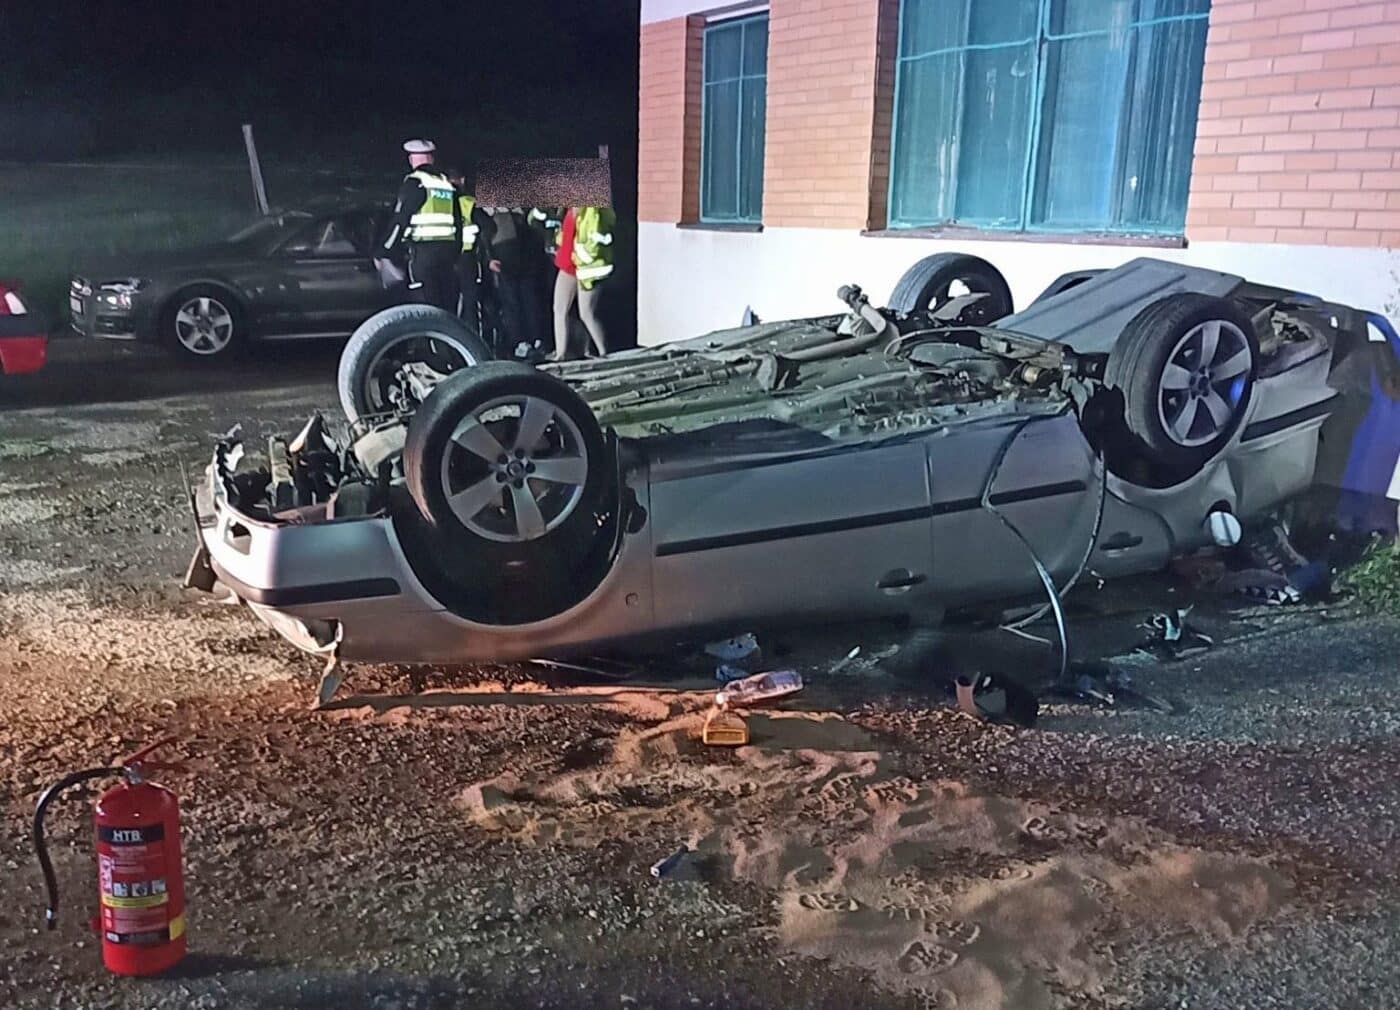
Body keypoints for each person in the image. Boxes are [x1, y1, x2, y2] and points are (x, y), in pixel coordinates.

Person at [382, 139, 461, 312]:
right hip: (448, 253)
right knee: (447, 304)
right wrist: (456, 251)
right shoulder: (445, 184)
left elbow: (401, 217)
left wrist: (386, 249)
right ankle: (448, 338)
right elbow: (458, 221)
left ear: (412, 160)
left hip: (424, 252)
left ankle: (431, 339)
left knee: (426, 304)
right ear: (431, 159)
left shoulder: (414, 182)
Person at [551, 205, 615, 360]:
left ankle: (604, 352)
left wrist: (581, 257)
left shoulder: (592, 212)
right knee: (559, 309)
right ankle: (561, 354)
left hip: (585, 267)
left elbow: (593, 241)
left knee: (586, 313)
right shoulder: (569, 210)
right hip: (567, 265)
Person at [488, 206, 548, 360]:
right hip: (506, 255)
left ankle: (534, 340)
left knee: (527, 300)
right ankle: (523, 342)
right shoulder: (494, 207)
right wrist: (489, 258)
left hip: (522, 256)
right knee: (514, 302)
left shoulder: (517, 206)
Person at [445, 167, 495, 339]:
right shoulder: (468, 201)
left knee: (449, 304)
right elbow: (489, 227)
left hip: (443, 259)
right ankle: (476, 342)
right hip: (467, 258)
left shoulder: (439, 202)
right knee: (471, 303)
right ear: (463, 181)